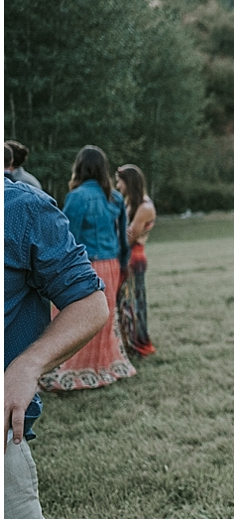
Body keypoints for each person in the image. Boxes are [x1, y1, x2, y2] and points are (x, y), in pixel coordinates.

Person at [5, 172, 109, 518]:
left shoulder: (20, 207)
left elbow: (90, 302)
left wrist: (29, 364)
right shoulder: (111, 195)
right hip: (110, 258)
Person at [39, 145, 136, 391]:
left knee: (70, 318)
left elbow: (65, 237)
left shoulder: (77, 197)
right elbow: (123, 239)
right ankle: (102, 367)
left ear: (79, 167)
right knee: (104, 317)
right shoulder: (114, 197)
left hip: (85, 265)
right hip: (111, 264)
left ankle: (70, 370)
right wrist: (123, 266)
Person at [115, 164, 157, 357]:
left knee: (134, 302)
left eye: (119, 181)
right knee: (125, 301)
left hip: (134, 256)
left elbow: (129, 236)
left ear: (128, 182)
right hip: (126, 254)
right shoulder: (130, 201)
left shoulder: (144, 207)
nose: (117, 185)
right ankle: (126, 342)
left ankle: (139, 343)